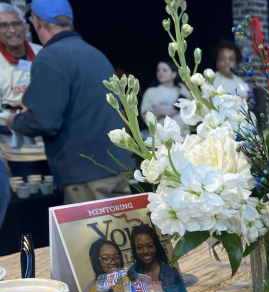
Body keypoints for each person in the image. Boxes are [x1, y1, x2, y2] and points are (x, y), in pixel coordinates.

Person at [7, 0, 133, 204]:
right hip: (118, 166)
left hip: (85, 173)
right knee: (122, 232)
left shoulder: (50, 57)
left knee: (92, 236)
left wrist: (15, 121)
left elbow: (43, 121)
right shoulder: (95, 54)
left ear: (36, 22)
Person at [0, 3, 45, 178]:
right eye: (4, 25)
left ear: (25, 26)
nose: (12, 30)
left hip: (53, 149)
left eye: (16, 23)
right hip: (18, 155)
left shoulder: (43, 54)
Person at [126, 224, 194, 292]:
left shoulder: (171, 272)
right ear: (135, 250)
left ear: (156, 246)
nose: (145, 251)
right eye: (139, 247)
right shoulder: (132, 275)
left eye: (150, 246)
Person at [139, 60, 190, 128]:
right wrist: (160, 111)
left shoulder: (182, 90)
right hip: (161, 135)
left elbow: (196, 111)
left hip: (184, 136)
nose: (160, 73)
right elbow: (144, 118)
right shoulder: (151, 92)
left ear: (174, 74)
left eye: (164, 70)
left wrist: (187, 93)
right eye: (158, 70)